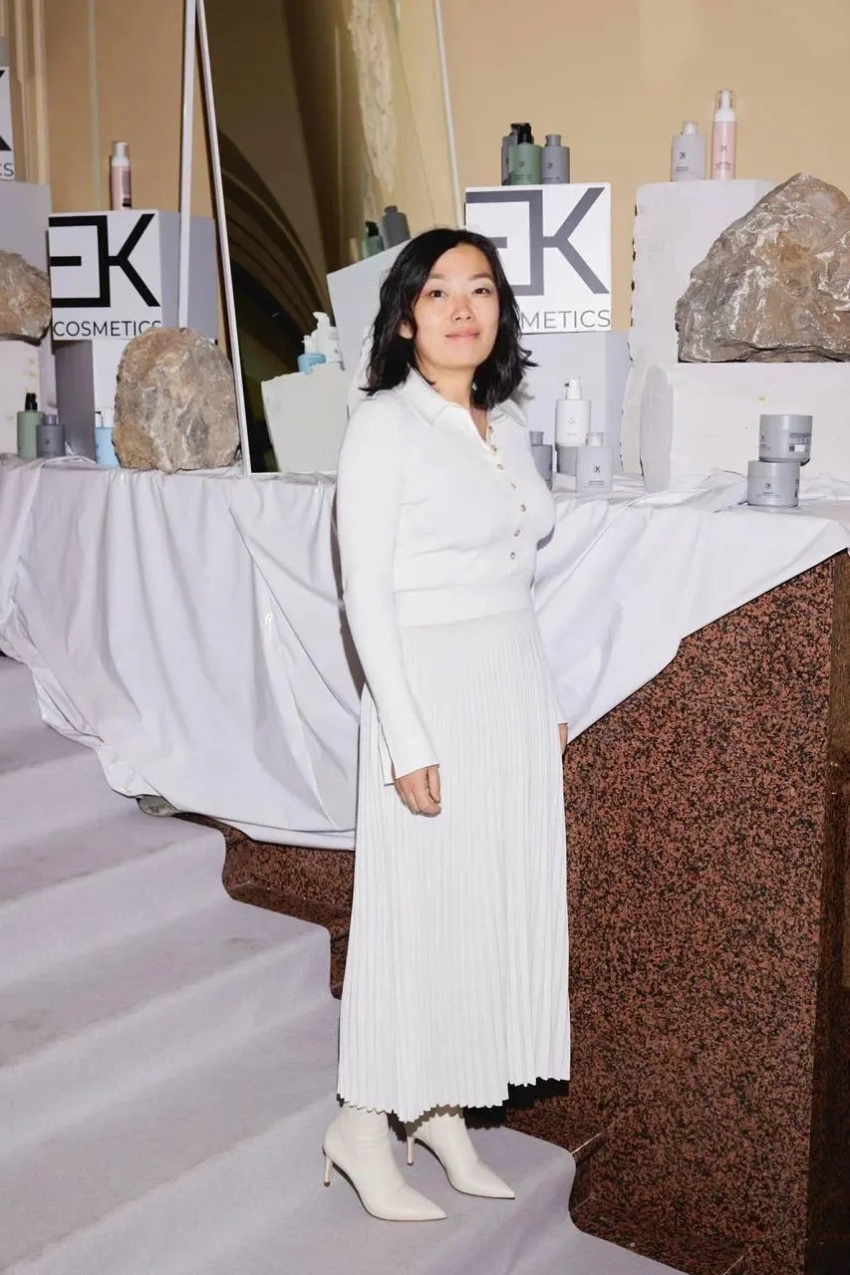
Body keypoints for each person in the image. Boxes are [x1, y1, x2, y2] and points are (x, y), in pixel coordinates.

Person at [325, 227, 570, 1221]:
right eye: (437, 292)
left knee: (481, 906)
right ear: (403, 317)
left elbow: (517, 579)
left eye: (481, 289)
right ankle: (360, 1120)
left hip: (507, 686)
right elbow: (365, 594)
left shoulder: (504, 423)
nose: (463, 309)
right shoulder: (384, 425)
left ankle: (439, 1107)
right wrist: (407, 737)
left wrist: (542, 700)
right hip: (425, 688)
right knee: (416, 913)